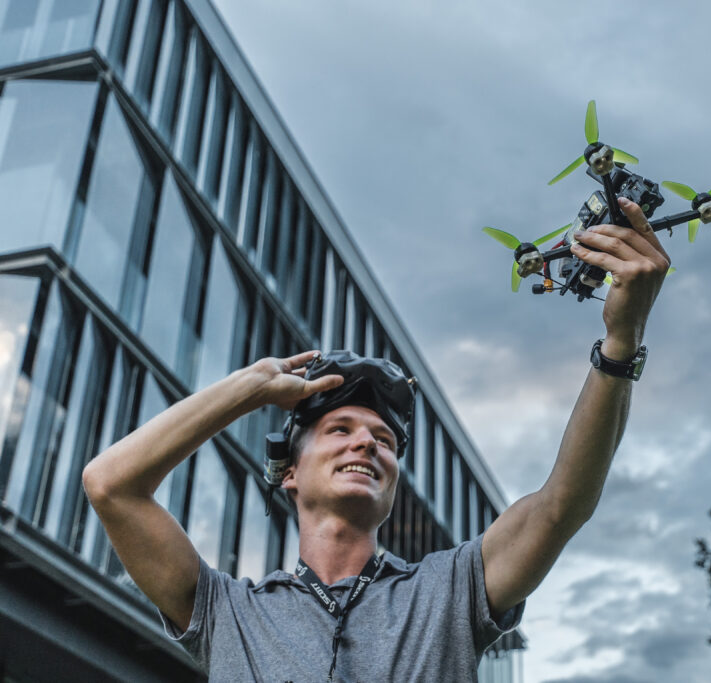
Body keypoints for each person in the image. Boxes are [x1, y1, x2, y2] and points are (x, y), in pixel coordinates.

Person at [82, 197, 670, 681]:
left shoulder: (452, 590)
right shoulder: (225, 614)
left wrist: (622, 343)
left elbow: (560, 505)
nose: (367, 444)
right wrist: (249, 388)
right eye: (340, 429)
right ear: (287, 470)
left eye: (384, 439)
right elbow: (111, 485)